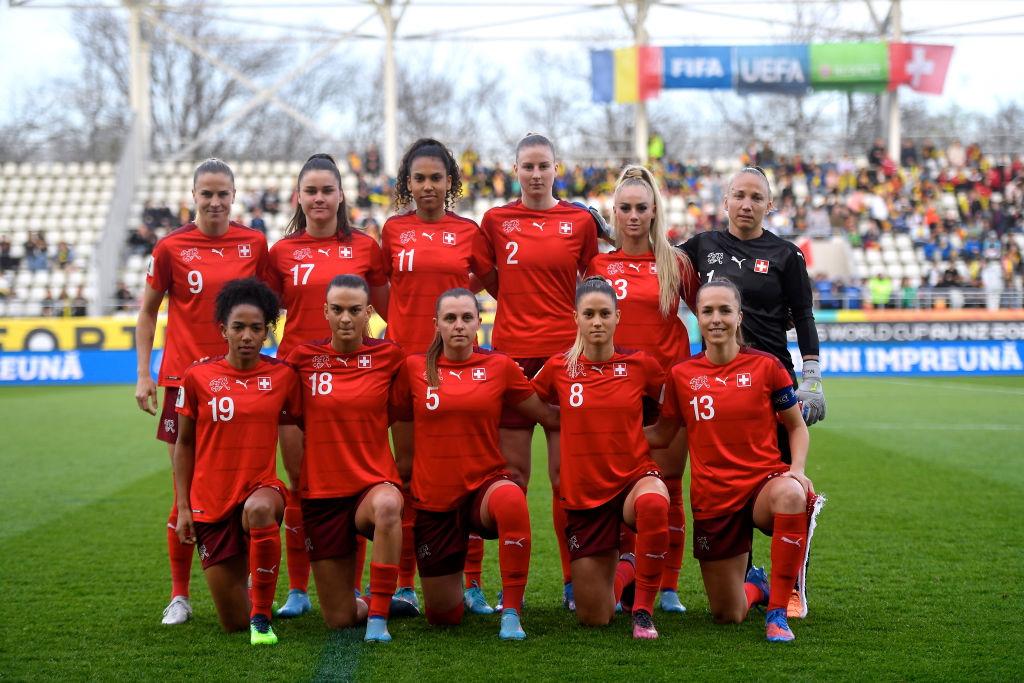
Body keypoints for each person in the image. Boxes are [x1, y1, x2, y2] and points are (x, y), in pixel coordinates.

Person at [679, 166, 824, 619]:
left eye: (756, 197)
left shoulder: (786, 255)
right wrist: (609, 236)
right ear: (724, 201)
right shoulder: (701, 247)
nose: (746, 204)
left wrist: (812, 376)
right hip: (718, 381)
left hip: (771, 380)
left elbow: (802, 316)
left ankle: (794, 586)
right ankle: (745, 579)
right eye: (738, 196)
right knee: (726, 478)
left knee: (787, 487)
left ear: (769, 205)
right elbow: (655, 265)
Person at [135, 158, 270, 626]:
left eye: (223, 193)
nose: (215, 201)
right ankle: (179, 596)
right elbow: (148, 312)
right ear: (193, 196)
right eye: (206, 193)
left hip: (242, 381)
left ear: (235, 196)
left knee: (246, 483)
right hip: (181, 383)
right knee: (185, 491)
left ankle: (252, 580)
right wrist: (143, 373)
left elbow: (266, 307)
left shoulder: (254, 243)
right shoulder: (171, 246)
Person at [646, 279, 817, 643]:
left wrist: (797, 472)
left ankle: (777, 615)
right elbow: (661, 434)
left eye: (725, 310)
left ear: (739, 317)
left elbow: (796, 427)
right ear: (698, 320)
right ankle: (757, 586)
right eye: (707, 311)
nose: (716, 318)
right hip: (713, 499)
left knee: (790, 495)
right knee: (728, 614)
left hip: (762, 485)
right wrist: (606, 428)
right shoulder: (681, 375)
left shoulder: (767, 367)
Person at [477, 134, 600, 610]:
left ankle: (572, 582)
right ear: (515, 169)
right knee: (510, 479)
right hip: (508, 360)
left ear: (557, 168)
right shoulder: (496, 220)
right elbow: (488, 279)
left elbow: (594, 286)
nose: (535, 174)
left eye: (543, 166)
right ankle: (507, 590)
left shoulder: (578, 220)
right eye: (527, 166)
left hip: (562, 361)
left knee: (566, 480)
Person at [392, 288, 558, 640]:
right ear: (435, 324)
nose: (459, 326)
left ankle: (511, 613)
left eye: (467, 318)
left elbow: (544, 414)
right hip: (434, 501)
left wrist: (604, 413)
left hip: (484, 489)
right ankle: (448, 596)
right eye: (450, 318)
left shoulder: (499, 366)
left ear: (479, 322)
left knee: (512, 497)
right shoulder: (413, 369)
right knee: (444, 616)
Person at [266, 153, 389, 619]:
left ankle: (354, 589)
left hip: (353, 383)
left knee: (353, 484)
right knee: (300, 484)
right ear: (300, 197)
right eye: (311, 191)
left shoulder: (366, 247)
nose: (319, 198)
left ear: (341, 195)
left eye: (327, 190)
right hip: (297, 382)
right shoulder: (280, 253)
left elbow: (385, 313)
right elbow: (263, 315)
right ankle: (298, 589)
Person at [382, 138, 494, 613]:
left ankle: (472, 582)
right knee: (407, 475)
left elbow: (499, 286)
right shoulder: (390, 231)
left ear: (451, 182)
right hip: (405, 368)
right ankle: (405, 582)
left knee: (468, 475)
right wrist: (404, 329)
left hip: (457, 373)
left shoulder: (468, 231)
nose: (428, 186)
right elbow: (377, 291)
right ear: (407, 184)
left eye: (437, 178)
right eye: (419, 178)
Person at [585, 165, 698, 615]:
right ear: (614, 212)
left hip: (669, 390)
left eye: (642, 208)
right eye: (625, 208)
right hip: (615, 391)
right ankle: (629, 570)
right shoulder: (598, 265)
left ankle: (667, 585)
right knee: (620, 488)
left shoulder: (676, 263)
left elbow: (712, 313)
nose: (634, 216)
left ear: (654, 212)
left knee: (669, 486)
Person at [532, 277, 670, 639]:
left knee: (655, 503)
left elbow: (676, 403)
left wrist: (653, 436)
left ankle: (642, 611)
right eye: (589, 314)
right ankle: (627, 566)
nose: (597, 322)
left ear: (617, 317)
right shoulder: (558, 368)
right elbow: (529, 403)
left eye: (605, 314)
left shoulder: (641, 366)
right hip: (584, 496)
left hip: (633, 479)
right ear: (575, 317)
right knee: (595, 617)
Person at [173, 277, 300, 645]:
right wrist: (183, 507)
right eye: (238, 327)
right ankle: (251, 599)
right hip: (210, 504)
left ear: (267, 333)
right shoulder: (197, 377)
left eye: (256, 328)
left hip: (261, 489)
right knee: (232, 623)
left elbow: (305, 426)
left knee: (261, 509)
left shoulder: (283, 376)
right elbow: (184, 444)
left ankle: (262, 617)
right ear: (222, 331)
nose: (247, 336)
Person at [284, 274, 406, 642]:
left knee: (387, 506)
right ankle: (376, 604)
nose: (346, 318)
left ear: (370, 312)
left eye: (355, 310)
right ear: (325, 311)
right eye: (337, 310)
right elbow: (282, 417)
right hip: (323, 496)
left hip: (372, 486)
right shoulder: (302, 360)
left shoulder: (390, 357)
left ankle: (379, 618)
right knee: (339, 619)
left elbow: (407, 416)